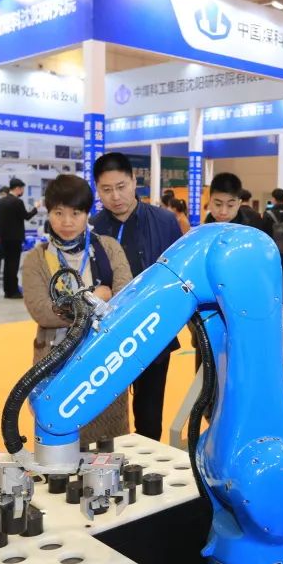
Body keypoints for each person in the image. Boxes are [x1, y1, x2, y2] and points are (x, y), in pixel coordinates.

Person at [22, 174, 134, 446]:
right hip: (55, 361)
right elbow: (42, 311)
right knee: (59, 439)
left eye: (76, 213)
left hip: (104, 358)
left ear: (87, 214)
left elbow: (124, 299)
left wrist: (69, 306)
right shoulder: (36, 259)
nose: (67, 222)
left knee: (108, 442)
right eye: (59, 213)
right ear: (49, 213)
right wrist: (96, 297)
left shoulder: (108, 248)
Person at [90, 152, 183, 441]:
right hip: (106, 339)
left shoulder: (165, 222)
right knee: (103, 418)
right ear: (97, 189)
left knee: (150, 417)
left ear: (134, 181)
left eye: (121, 186)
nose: (115, 196)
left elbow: (178, 277)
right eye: (106, 189)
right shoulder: (92, 228)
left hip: (153, 333)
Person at [0, 178, 40, 299]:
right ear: (17, 188)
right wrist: (36, 208)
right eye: (22, 189)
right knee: (13, 265)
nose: (22, 191)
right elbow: (27, 216)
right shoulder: (17, 202)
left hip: (4, 238)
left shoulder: (1, 201)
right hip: (15, 238)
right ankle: (13, 291)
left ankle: (7, 290)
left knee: (7, 265)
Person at [204, 174, 268, 232]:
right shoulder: (203, 230)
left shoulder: (251, 231)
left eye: (230, 205)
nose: (223, 212)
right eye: (218, 204)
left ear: (239, 204)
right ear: (210, 202)